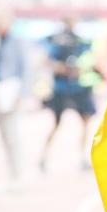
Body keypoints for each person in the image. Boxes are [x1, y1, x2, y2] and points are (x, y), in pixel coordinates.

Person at [39, 17, 99, 173]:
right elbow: (48, 62)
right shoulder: (57, 42)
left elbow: (90, 59)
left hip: (79, 89)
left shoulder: (81, 41)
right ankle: (44, 157)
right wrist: (64, 68)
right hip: (62, 89)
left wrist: (82, 69)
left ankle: (83, 157)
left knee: (86, 121)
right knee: (56, 124)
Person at [0, 5, 27, 190]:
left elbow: (25, 69)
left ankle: (17, 176)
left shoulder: (17, 42)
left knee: (11, 137)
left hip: (9, 95)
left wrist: (21, 94)